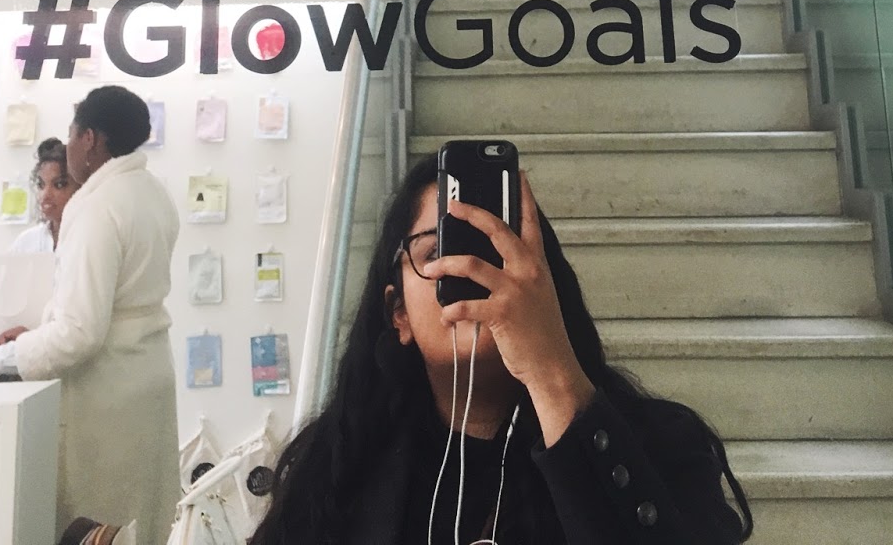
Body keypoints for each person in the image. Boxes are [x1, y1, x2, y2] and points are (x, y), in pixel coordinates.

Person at [252, 157, 751, 545]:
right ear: (397, 313)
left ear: (544, 286)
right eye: (437, 251)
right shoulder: (335, 468)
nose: (470, 270)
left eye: (494, 248)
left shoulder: (659, 447)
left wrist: (552, 375)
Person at [0, 86, 181, 545]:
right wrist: (38, 334)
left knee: (98, 528)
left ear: (88, 138)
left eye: (70, 133)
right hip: (146, 379)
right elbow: (108, 306)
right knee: (142, 523)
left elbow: (80, 333)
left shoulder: (99, 206)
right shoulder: (151, 192)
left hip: (107, 395)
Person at [10, 136, 78, 253]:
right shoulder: (25, 242)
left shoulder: (90, 238)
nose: (45, 195)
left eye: (59, 185)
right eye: (41, 185)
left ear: (80, 188)